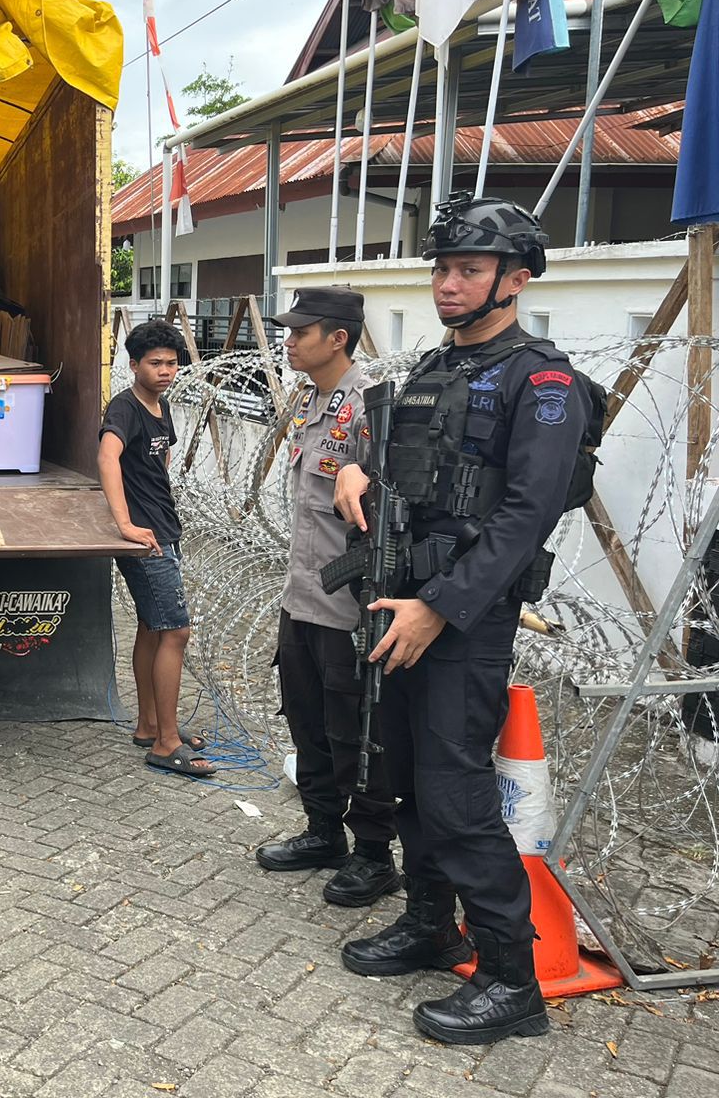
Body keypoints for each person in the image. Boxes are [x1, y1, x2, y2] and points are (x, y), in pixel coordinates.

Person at [332, 193, 585, 1045]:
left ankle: (512, 979)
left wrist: (439, 608)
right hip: (398, 602)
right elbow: (408, 470)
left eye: (468, 270)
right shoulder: (434, 370)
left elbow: (525, 516)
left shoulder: (540, 381)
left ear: (515, 281)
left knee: (456, 792)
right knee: (403, 774)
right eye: (442, 268)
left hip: (459, 621)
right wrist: (356, 472)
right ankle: (430, 925)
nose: (447, 283)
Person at [257, 287, 400, 907]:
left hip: (349, 607)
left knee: (354, 731)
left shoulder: (371, 407)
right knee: (306, 719)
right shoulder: (312, 399)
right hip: (302, 597)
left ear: (338, 338)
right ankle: (323, 832)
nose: (289, 341)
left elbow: (395, 499)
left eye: (300, 331)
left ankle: (373, 854)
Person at [98, 320, 213, 779]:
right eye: (155, 363)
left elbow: (158, 461)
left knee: (151, 627)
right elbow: (107, 456)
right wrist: (124, 523)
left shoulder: (160, 406)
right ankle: (166, 743)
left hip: (164, 528)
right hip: (147, 540)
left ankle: (150, 725)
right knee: (175, 632)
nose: (165, 371)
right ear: (134, 366)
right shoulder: (125, 408)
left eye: (171, 363)